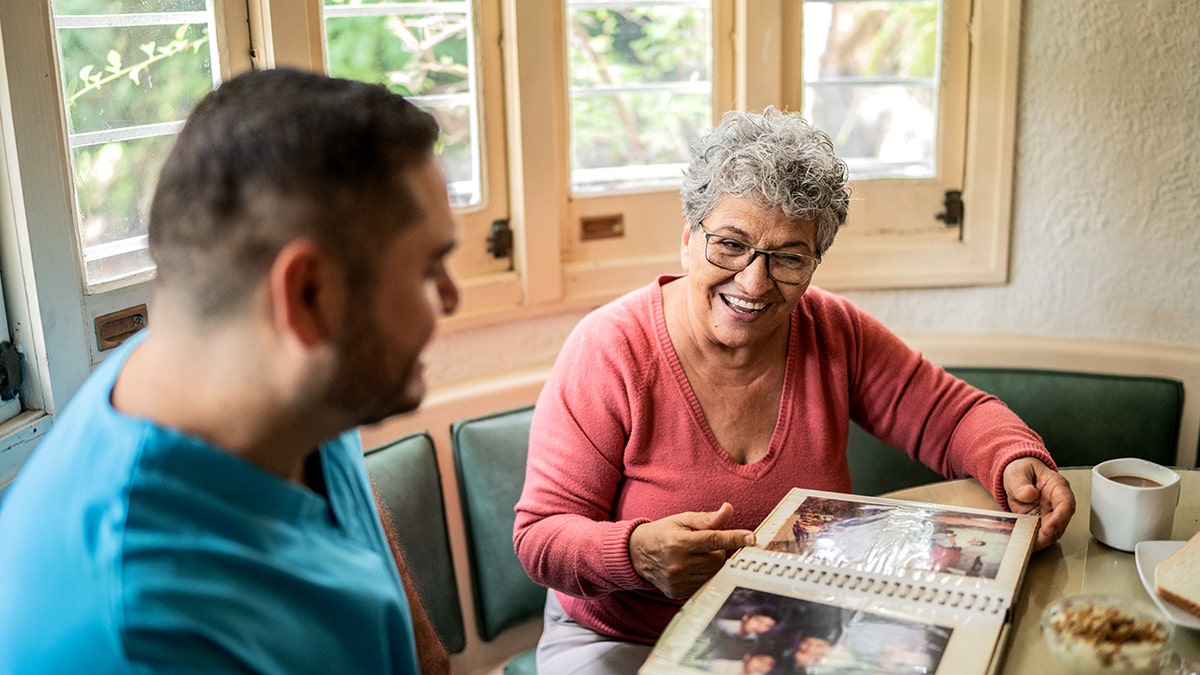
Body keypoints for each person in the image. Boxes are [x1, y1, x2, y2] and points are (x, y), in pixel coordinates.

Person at [512, 107, 1076, 673]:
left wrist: (1010, 458)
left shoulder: (832, 330)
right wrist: (636, 556)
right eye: (729, 245)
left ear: (814, 263)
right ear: (688, 239)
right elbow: (540, 537)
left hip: (798, 631)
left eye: (787, 258)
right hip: (627, 639)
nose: (754, 282)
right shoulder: (610, 349)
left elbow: (949, 416)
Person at [0, 69, 460, 673]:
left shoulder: (269, 375)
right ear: (309, 296)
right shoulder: (144, 633)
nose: (451, 297)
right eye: (430, 269)